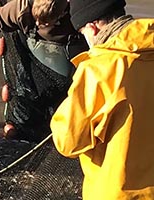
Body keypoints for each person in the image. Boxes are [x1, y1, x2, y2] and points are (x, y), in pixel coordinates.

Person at [50, 0, 154, 199]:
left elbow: (68, 141)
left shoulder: (98, 68)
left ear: (93, 26)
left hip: (117, 193)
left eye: (82, 33)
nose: (85, 39)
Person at [0, 0, 88, 142]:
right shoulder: (21, 8)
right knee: (21, 128)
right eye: (37, 20)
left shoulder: (81, 9)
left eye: (46, 23)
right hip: (39, 61)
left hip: (77, 61)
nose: (39, 24)